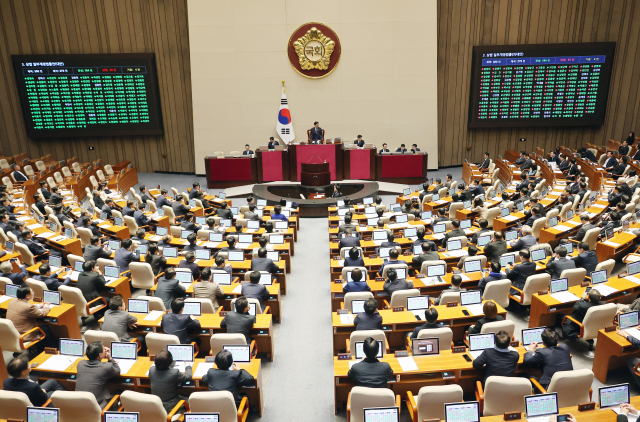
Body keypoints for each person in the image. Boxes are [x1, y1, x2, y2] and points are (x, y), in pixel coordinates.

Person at [7, 286, 57, 350]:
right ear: (27, 296)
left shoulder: (12, 301)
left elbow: (24, 307)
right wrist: (46, 306)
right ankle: (50, 348)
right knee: (45, 328)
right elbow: (42, 314)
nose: (33, 293)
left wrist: (39, 305)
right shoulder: (29, 307)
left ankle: (40, 347)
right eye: (32, 292)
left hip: (13, 334)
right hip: (24, 335)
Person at [76, 341, 121, 408]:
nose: (105, 350)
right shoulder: (106, 367)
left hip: (80, 405)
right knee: (120, 391)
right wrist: (110, 358)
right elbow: (117, 371)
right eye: (103, 350)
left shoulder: (80, 364)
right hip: (99, 406)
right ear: (100, 355)